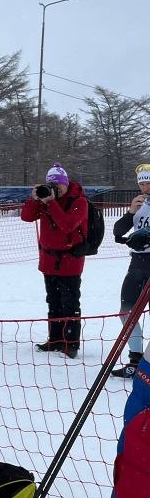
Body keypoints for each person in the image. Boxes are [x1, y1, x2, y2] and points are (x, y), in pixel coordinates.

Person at [20, 163, 88, 358]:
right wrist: (35, 200)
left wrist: (51, 202)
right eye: (51, 185)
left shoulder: (79, 201)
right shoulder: (44, 200)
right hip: (49, 261)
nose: (55, 190)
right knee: (53, 302)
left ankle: (71, 343)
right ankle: (55, 339)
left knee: (70, 303)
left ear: (66, 184)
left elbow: (67, 225)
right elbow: (26, 217)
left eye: (58, 186)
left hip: (71, 261)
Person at [109, 162, 150, 378]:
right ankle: (135, 359)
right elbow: (118, 231)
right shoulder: (139, 203)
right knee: (126, 312)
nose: (145, 187)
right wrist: (130, 212)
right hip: (137, 264)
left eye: (148, 182)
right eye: (142, 183)